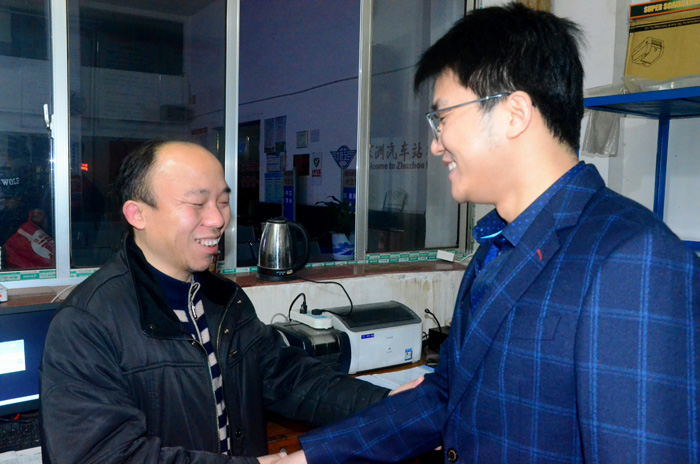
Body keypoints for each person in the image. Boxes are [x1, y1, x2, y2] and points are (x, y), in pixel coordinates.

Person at [279, 3, 700, 463]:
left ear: (514, 113)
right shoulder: (498, 246)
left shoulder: (633, 258)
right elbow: (447, 396)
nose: (435, 144)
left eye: (442, 118)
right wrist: (301, 459)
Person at [39, 139, 391, 463]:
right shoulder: (86, 324)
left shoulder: (225, 300)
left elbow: (288, 378)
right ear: (137, 214)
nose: (219, 219)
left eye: (223, 202)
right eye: (197, 204)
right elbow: (104, 456)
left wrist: (390, 404)